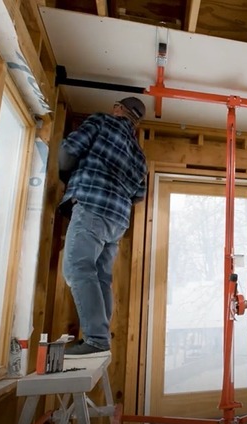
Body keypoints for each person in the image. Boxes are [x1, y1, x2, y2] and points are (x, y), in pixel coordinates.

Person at [58, 96, 148, 357]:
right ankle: (99, 337)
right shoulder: (140, 155)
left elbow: (69, 152)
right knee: (100, 277)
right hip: (117, 220)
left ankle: (96, 339)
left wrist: (65, 175)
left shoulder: (101, 121)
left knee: (77, 269)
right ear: (136, 122)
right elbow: (139, 195)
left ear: (118, 108)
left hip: (92, 206)